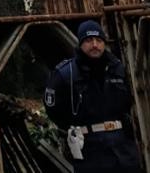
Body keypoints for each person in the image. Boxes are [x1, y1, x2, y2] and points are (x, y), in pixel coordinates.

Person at [44, 20, 141, 172]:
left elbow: (130, 102)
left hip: (122, 149)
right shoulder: (66, 74)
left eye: (99, 40)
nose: (95, 45)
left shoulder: (118, 69)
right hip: (90, 149)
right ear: (80, 44)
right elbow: (53, 109)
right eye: (89, 40)